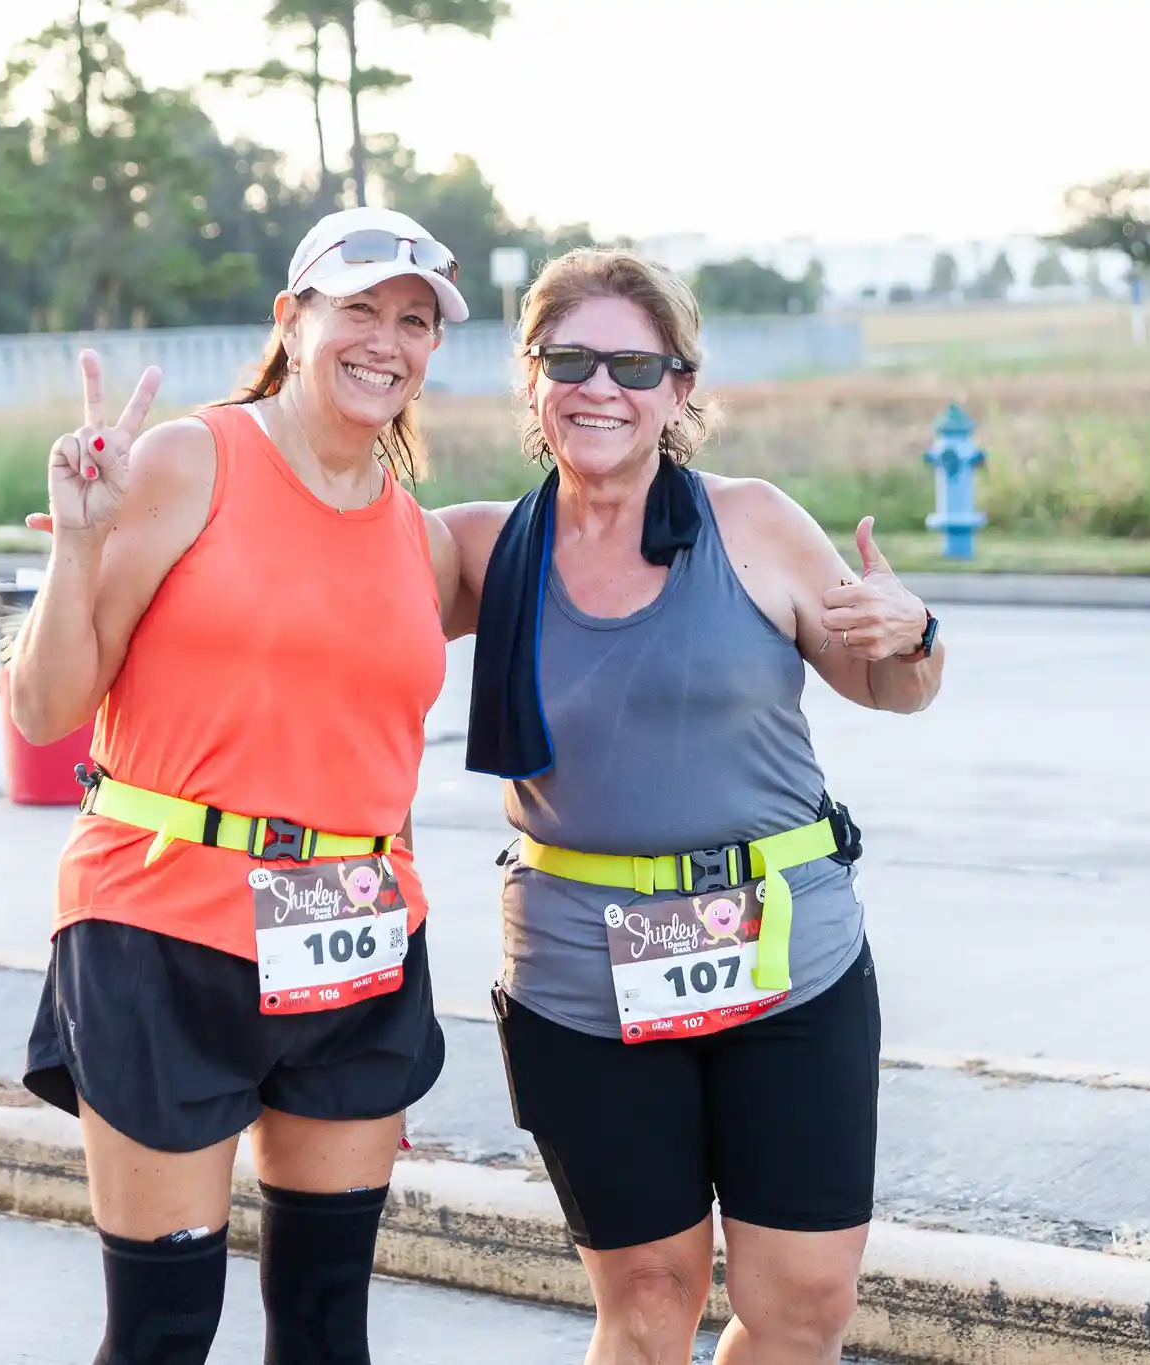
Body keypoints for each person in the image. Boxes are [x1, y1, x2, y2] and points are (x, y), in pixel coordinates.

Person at [437, 248, 946, 1365]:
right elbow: (313, 587)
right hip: (582, 980)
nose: (599, 387)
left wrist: (912, 634)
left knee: (801, 1299)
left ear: (678, 388)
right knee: (650, 1299)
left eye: (632, 363)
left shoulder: (753, 523)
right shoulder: (475, 547)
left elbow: (890, 688)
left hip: (786, 961)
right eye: (568, 359)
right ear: (530, 381)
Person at [9, 205, 470, 1365]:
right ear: (291, 317)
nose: (386, 340)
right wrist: (76, 543)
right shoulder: (190, 459)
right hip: (164, 926)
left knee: (325, 1327)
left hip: (354, 939)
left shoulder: (417, 538)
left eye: (414, 320)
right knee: (165, 1327)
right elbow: (42, 710)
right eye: (358, 307)